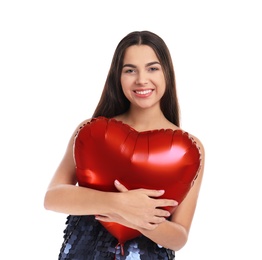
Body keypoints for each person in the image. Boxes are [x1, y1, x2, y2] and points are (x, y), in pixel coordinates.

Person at [44, 30, 205, 260]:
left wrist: (135, 220)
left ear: (166, 73)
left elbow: (179, 237)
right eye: (130, 70)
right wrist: (118, 203)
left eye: (152, 68)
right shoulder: (92, 132)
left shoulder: (187, 148)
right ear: (117, 77)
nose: (141, 79)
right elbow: (53, 198)